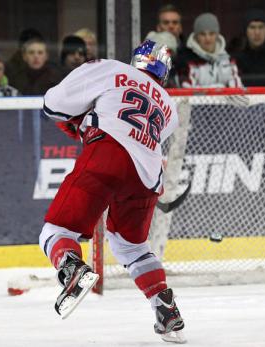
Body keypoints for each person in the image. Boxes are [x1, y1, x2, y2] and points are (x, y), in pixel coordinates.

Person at [38, 39, 186, 343]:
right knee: (131, 247)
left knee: (56, 230)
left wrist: (82, 123)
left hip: (109, 155)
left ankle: (71, 268)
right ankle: (165, 307)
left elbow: (54, 104)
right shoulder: (170, 107)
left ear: (136, 60)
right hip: (148, 177)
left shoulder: (111, 69)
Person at [176, 12, 243, 88]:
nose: (207, 38)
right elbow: (187, 89)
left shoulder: (228, 60)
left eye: (211, 34)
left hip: (227, 100)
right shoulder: (186, 61)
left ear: (217, 35)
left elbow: (237, 88)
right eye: (202, 34)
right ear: (196, 37)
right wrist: (219, 88)